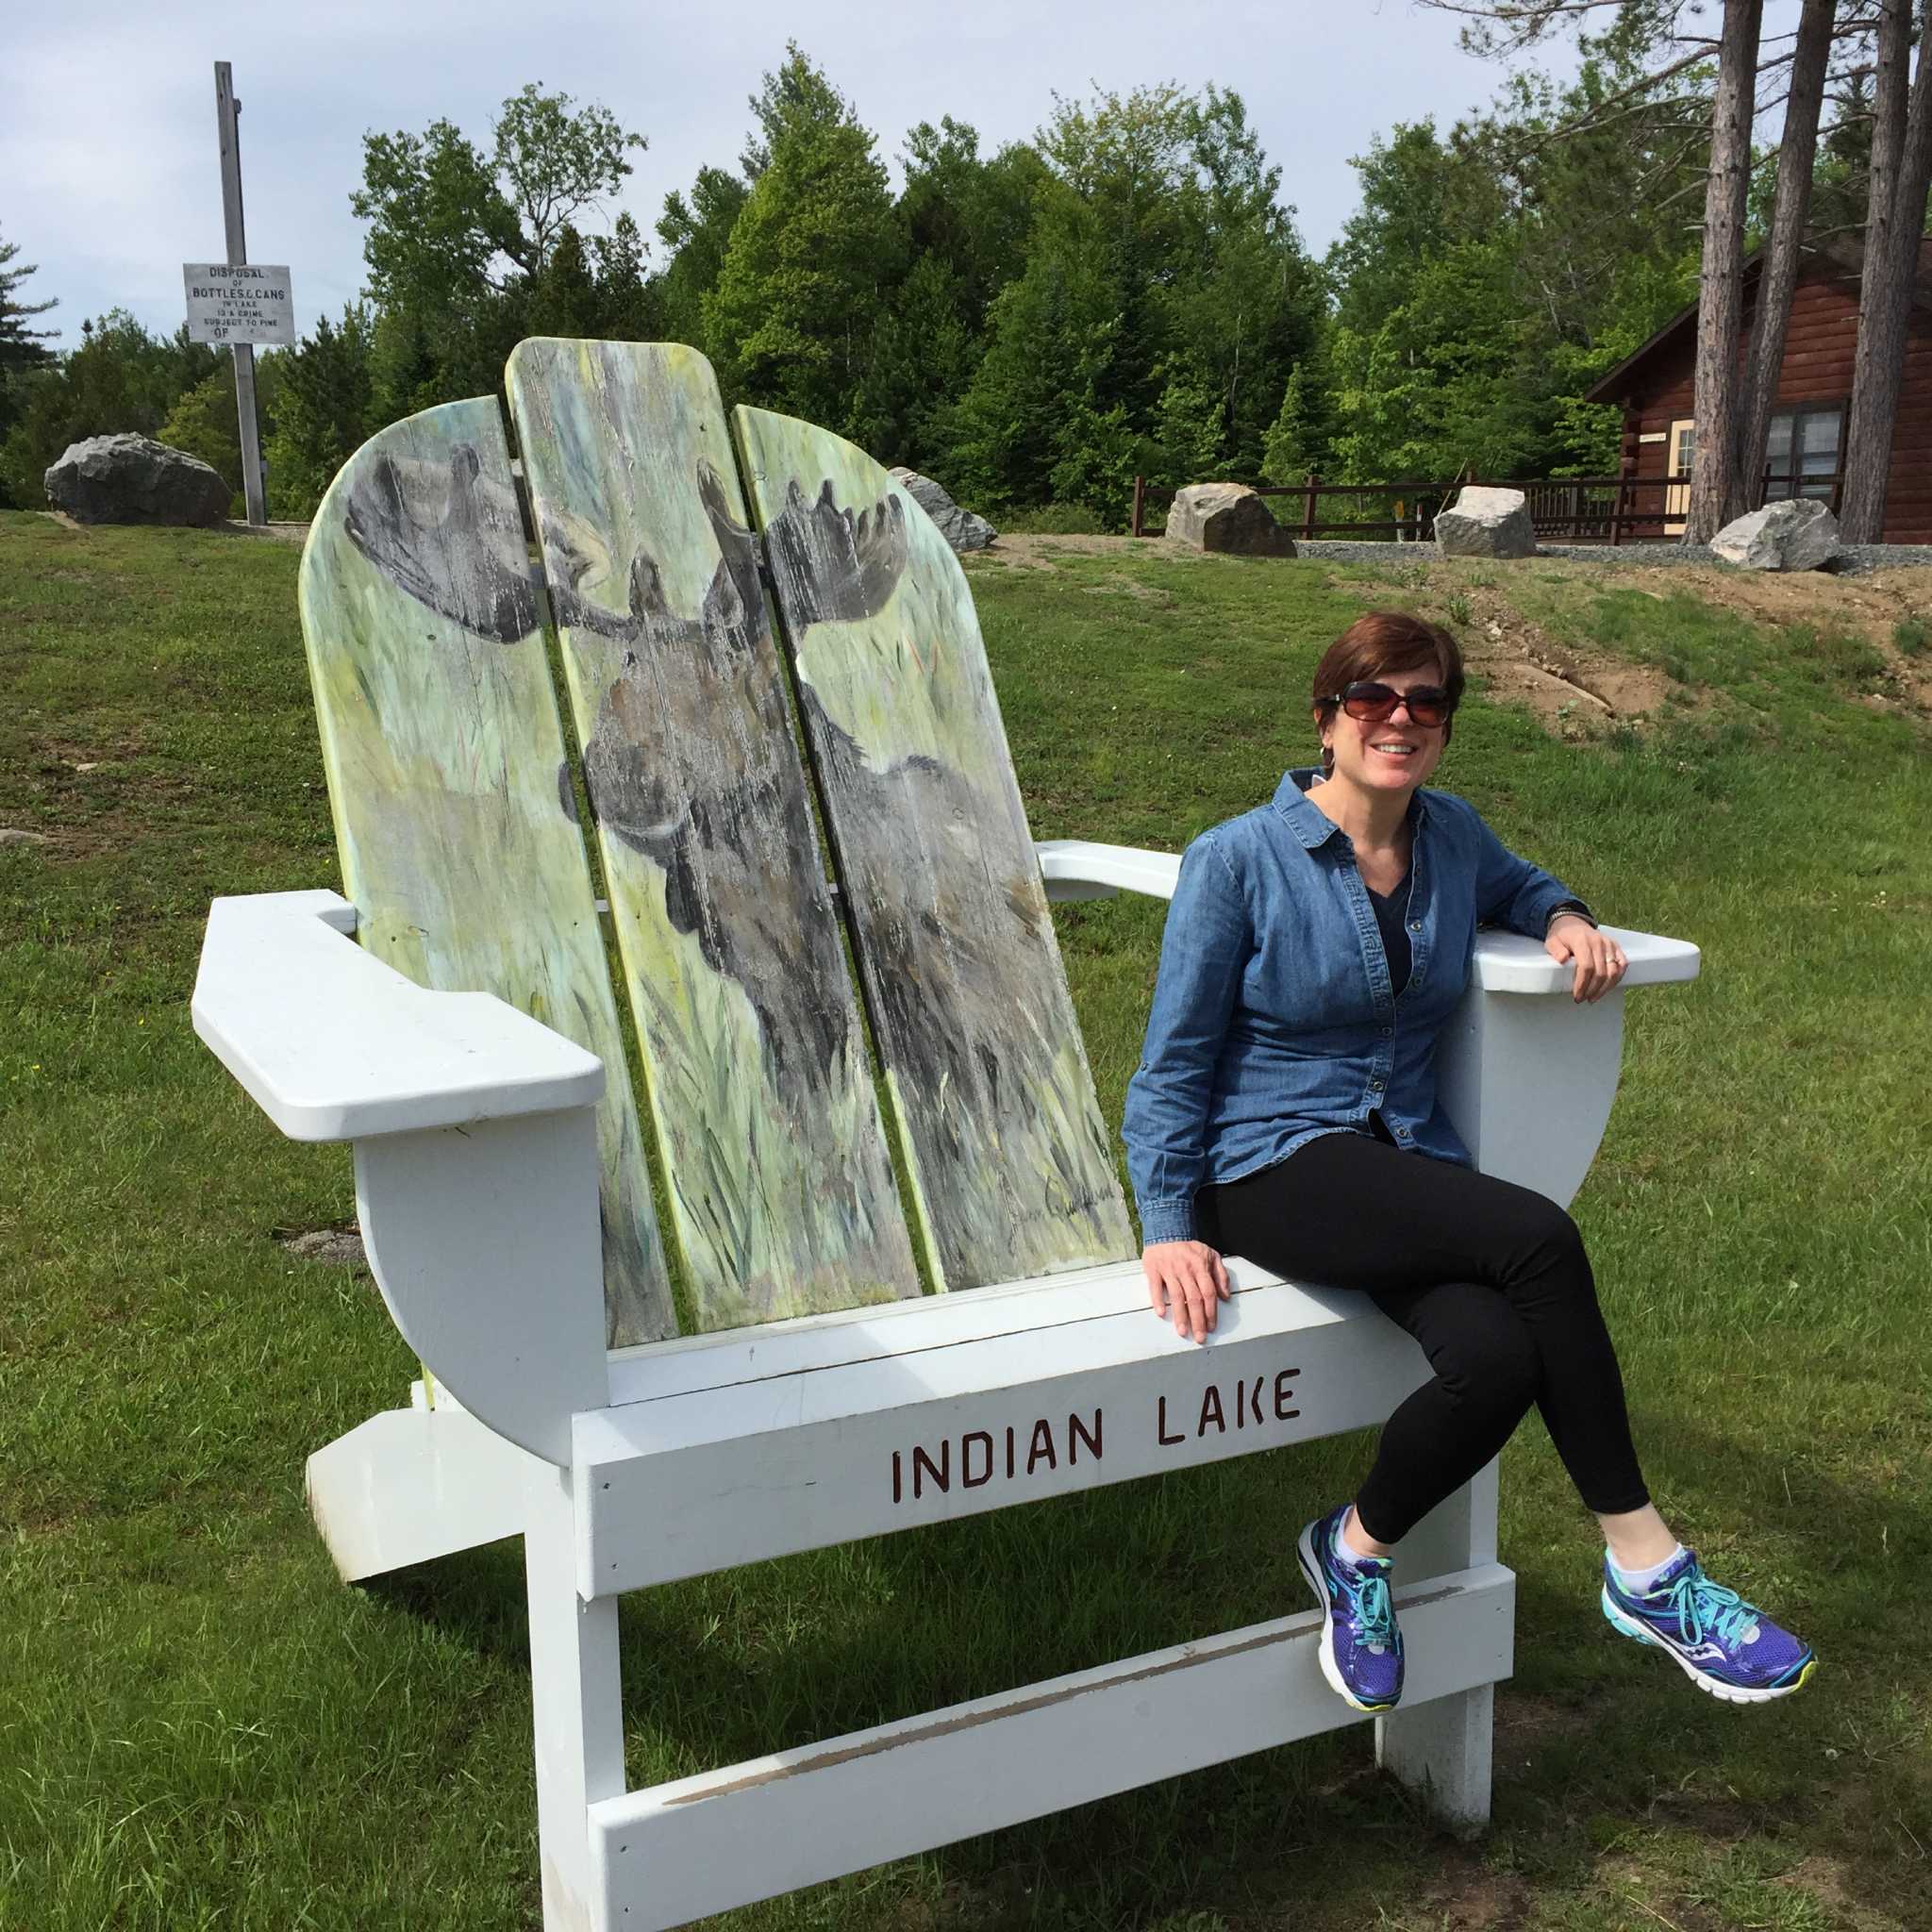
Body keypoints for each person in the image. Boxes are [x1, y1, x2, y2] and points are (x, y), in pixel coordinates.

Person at [1122, 611, 1814, 1714]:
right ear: (1326, 716)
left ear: (1442, 727)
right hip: (1267, 1161)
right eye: (1372, 699)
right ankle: (1646, 1565)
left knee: (1492, 1355)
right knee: (1535, 1238)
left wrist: (1566, 915)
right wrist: (1166, 1218)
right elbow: (1173, 1059)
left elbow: (1520, 882)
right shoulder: (1236, 859)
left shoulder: (1446, 837)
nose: (1398, 720)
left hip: (1396, 1159)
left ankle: (1349, 1551)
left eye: (1424, 703)